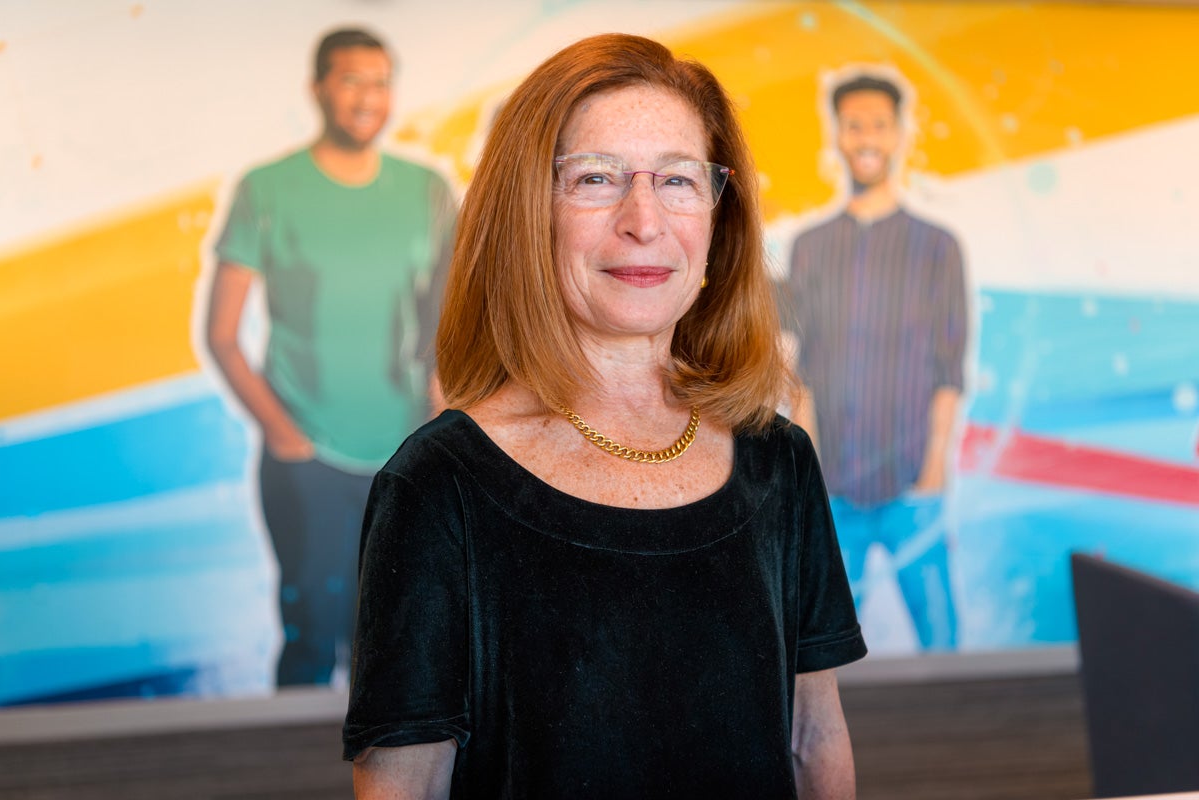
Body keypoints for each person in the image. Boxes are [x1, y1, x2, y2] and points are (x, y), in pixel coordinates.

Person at [343, 33, 866, 799]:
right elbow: (408, 787)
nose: (644, 221)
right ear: (528, 214)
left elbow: (812, 738)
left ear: (718, 218)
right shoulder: (436, 487)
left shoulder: (776, 458)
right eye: (595, 177)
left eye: (678, 180)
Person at [205, 28, 456, 687]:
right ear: (317, 89)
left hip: (406, 454)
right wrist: (284, 433)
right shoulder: (267, 189)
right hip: (308, 457)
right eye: (351, 81)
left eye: (380, 83)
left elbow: (449, 318)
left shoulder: (427, 190)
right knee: (312, 640)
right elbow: (221, 335)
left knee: (397, 645)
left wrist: (441, 416)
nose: (367, 98)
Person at [785, 72, 968, 651]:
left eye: (879, 126)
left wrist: (934, 469)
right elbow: (800, 369)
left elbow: (949, 367)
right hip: (833, 490)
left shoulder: (937, 246)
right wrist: (810, 473)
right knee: (820, 654)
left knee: (943, 648)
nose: (867, 138)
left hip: (914, 486)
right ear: (838, 136)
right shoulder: (809, 246)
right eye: (854, 125)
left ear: (899, 135)